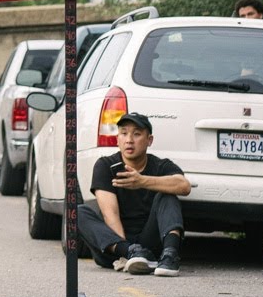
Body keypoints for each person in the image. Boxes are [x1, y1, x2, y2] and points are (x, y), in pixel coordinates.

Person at [76, 112, 191, 276]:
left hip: (150, 247)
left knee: (167, 195)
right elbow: (111, 214)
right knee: (77, 211)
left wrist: (142, 181)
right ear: (117, 139)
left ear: (149, 140)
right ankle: (132, 252)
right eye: (124, 133)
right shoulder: (105, 165)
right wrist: (128, 252)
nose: (129, 140)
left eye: (137, 134)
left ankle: (170, 257)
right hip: (115, 248)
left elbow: (184, 186)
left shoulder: (161, 165)